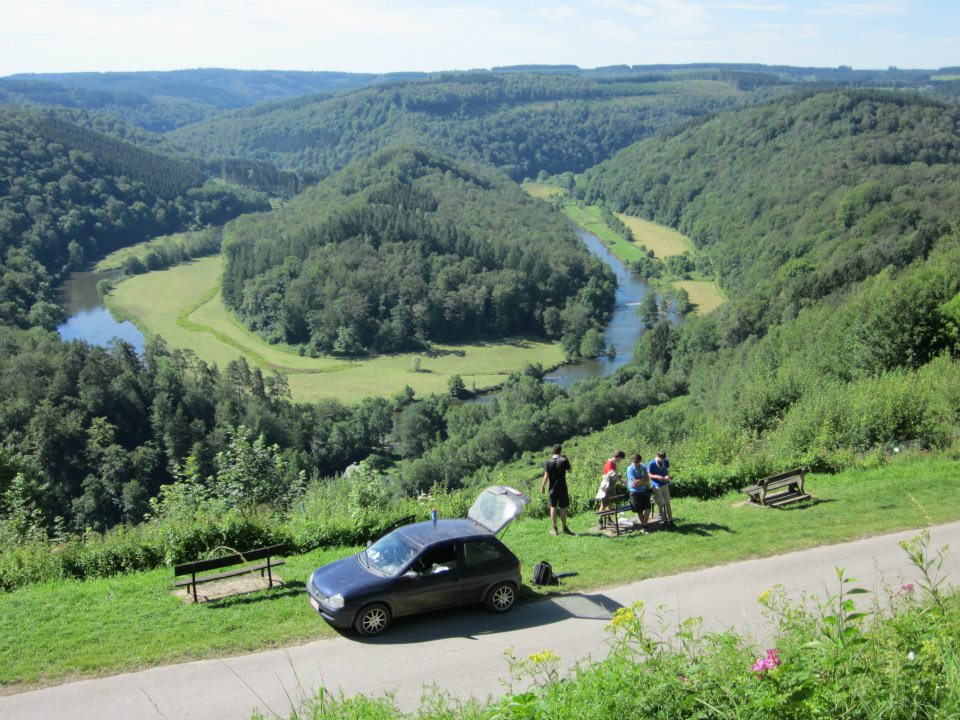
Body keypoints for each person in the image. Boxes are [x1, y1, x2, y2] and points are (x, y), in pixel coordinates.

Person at [540, 444, 573, 535]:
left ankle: (554, 529)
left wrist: (542, 486)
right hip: (562, 488)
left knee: (553, 507)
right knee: (563, 508)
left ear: (553, 451)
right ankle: (564, 528)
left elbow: (546, 476)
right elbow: (570, 471)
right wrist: (567, 459)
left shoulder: (548, 462)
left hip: (552, 489)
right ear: (560, 451)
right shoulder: (564, 460)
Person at [595, 449, 626, 526]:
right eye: (621, 459)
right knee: (604, 503)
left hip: (612, 486)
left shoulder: (614, 464)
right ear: (618, 457)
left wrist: (617, 476)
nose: (620, 460)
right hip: (607, 487)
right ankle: (600, 521)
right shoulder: (609, 463)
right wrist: (621, 480)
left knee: (611, 502)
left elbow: (613, 475)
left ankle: (608, 518)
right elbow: (611, 475)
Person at [648, 449, 675, 527]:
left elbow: (667, 471)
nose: (662, 460)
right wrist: (657, 477)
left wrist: (667, 476)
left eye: (664, 459)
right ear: (657, 456)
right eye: (661, 459)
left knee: (668, 503)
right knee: (661, 504)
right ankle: (664, 521)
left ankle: (670, 520)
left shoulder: (666, 461)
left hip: (665, 484)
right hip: (656, 486)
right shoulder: (652, 463)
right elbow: (649, 474)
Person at [626, 453, 651, 534]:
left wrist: (641, 482)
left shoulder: (643, 466)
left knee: (648, 508)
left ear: (639, 461)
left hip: (644, 491)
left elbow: (647, 478)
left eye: (636, 462)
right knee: (639, 510)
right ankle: (644, 526)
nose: (634, 463)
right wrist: (643, 480)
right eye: (633, 461)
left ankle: (644, 525)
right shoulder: (630, 469)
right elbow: (635, 483)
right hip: (635, 492)